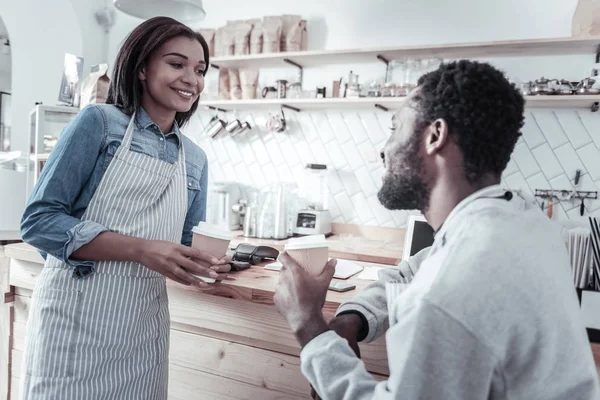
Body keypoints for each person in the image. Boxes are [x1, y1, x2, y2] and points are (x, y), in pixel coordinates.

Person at [274, 60, 600, 399]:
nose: (383, 150)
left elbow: (437, 288)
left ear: (434, 136)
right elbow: (413, 272)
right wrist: (353, 317)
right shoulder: (520, 220)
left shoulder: (451, 287)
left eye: (395, 128)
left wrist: (309, 325)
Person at [19, 17, 230, 399]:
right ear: (142, 68)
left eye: (200, 70)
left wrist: (214, 263)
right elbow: (38, 222)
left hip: (141, 329)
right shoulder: (99, 123)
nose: (192, 79)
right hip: (74, 319)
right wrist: (142, 249)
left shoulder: (195, 159)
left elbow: (184, 248)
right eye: (177, 64)